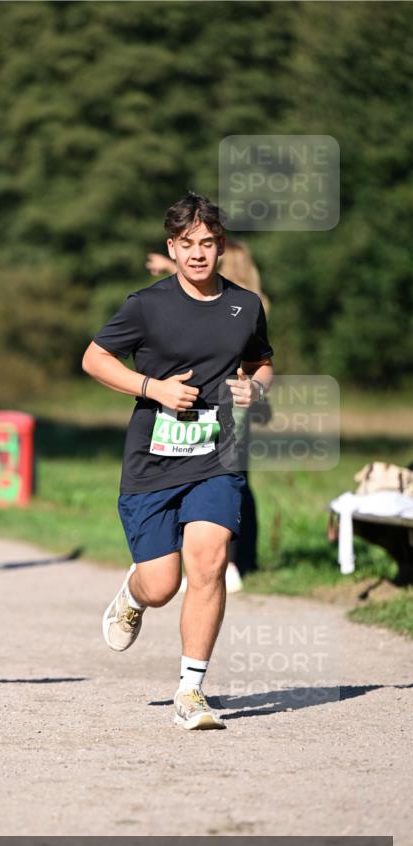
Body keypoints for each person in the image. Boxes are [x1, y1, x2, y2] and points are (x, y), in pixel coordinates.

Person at [83, 191, 274, 732]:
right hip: (153, 460)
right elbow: (94, 358)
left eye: (207, 244)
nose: (197, 254)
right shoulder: (147, 305)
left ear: (220, 247)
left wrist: (254, 390)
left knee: (209, 561)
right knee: (163, 583)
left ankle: (191, 690)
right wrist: (153, 388)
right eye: (187, 244)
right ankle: (133, 594)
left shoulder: (245, 305)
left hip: (219, 454)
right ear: (172, 247)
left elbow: (261, 363)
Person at [147, 239, 271, 592]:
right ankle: (233, 559)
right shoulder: (252, 300)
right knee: (231, 479)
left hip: (229, 402)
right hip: (227, 403)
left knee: (222, 476)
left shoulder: (243, 303)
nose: (202, 258)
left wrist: (171, 268)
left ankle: (228, 561)